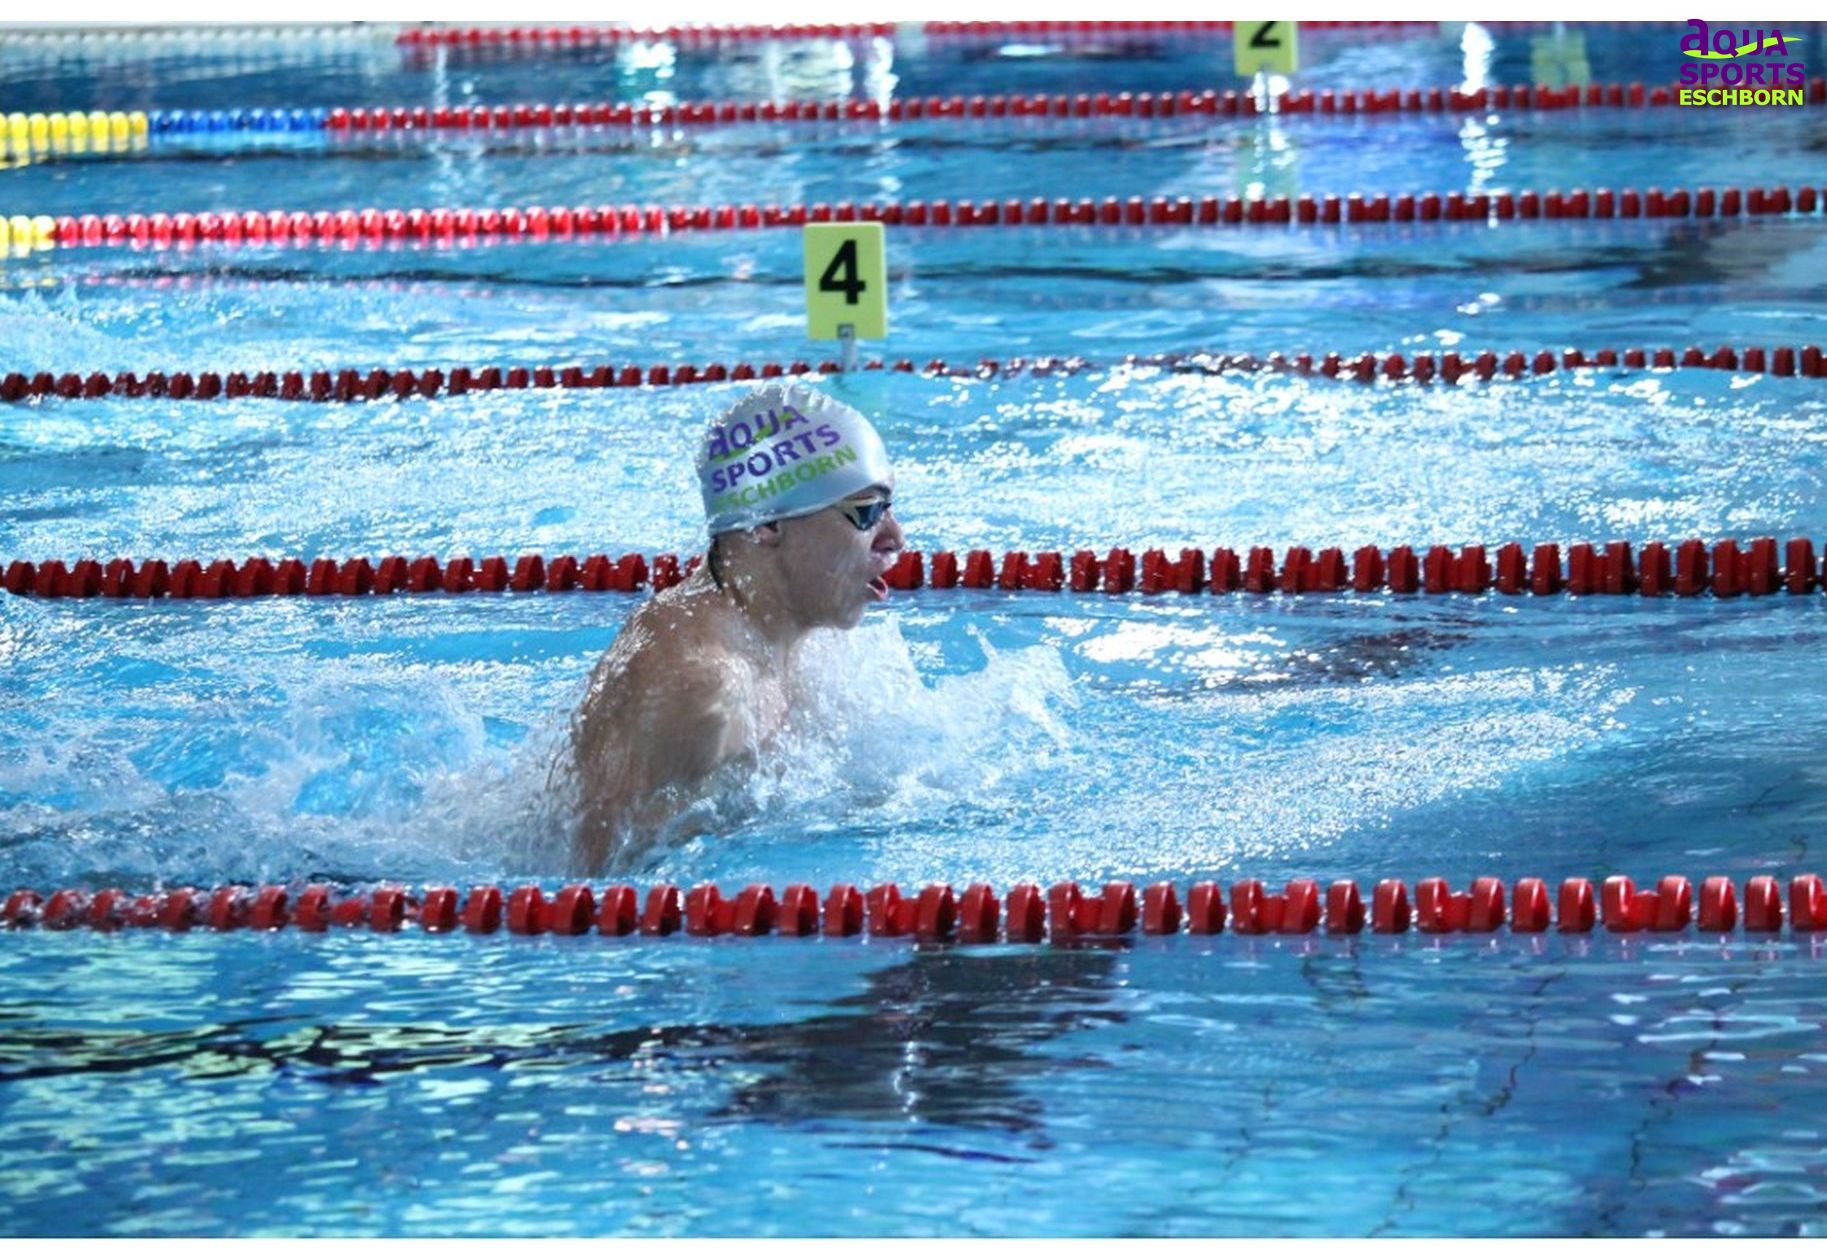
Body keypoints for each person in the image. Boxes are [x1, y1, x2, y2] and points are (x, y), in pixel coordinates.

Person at [570, 381, 904, 873]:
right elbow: (600, 884)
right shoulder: (700, 686)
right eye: (867, 513)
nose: (896, 537)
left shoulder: (797, 629)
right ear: (766, 524)